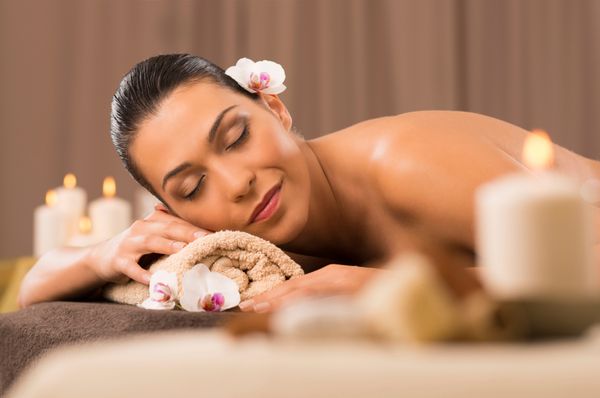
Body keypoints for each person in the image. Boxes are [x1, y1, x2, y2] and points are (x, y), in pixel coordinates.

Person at [18, 54, 600, 312]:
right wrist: (103, 254)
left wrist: (374, 287)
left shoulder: (405, 166)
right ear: (172, 210)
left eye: (236, 136)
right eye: (193, 187)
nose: (238, 182)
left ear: (274, 107)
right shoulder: (242, 249)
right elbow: (31, 288)